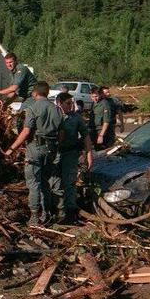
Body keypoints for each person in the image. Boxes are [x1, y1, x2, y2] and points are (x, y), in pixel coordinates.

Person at [4, 81, 63, 225]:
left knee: (34, 183)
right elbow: (62, 133)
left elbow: (26, 131)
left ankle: (35, 216)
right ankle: (46, 214)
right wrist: (56, 147)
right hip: (51, 149)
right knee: (45, 182)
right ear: (47, 93)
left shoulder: (32, 108)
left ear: (34, 93)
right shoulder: (57, 109)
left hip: (35, 149)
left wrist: (12, 149)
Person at [50, 92, 93, 224]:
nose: (71, 106)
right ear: (59, 103)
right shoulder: (53, 116)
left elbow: (85, 136)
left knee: (70, 183)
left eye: (72, 103)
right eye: (68, 103)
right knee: (55, 183)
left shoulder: (76, 118)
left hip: (70, 154)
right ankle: (58, 212)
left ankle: (70, 213)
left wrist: (89, 154)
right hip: (55, 154)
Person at [90, 86, 116, 150]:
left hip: (101, 131)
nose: (94, 98)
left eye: (96, 96)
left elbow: (106, 121)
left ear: (100, 95)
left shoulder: (105, 104)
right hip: (94, 130)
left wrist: (101, 135)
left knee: (101, 150)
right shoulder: (94, 103)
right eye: (92, 97)